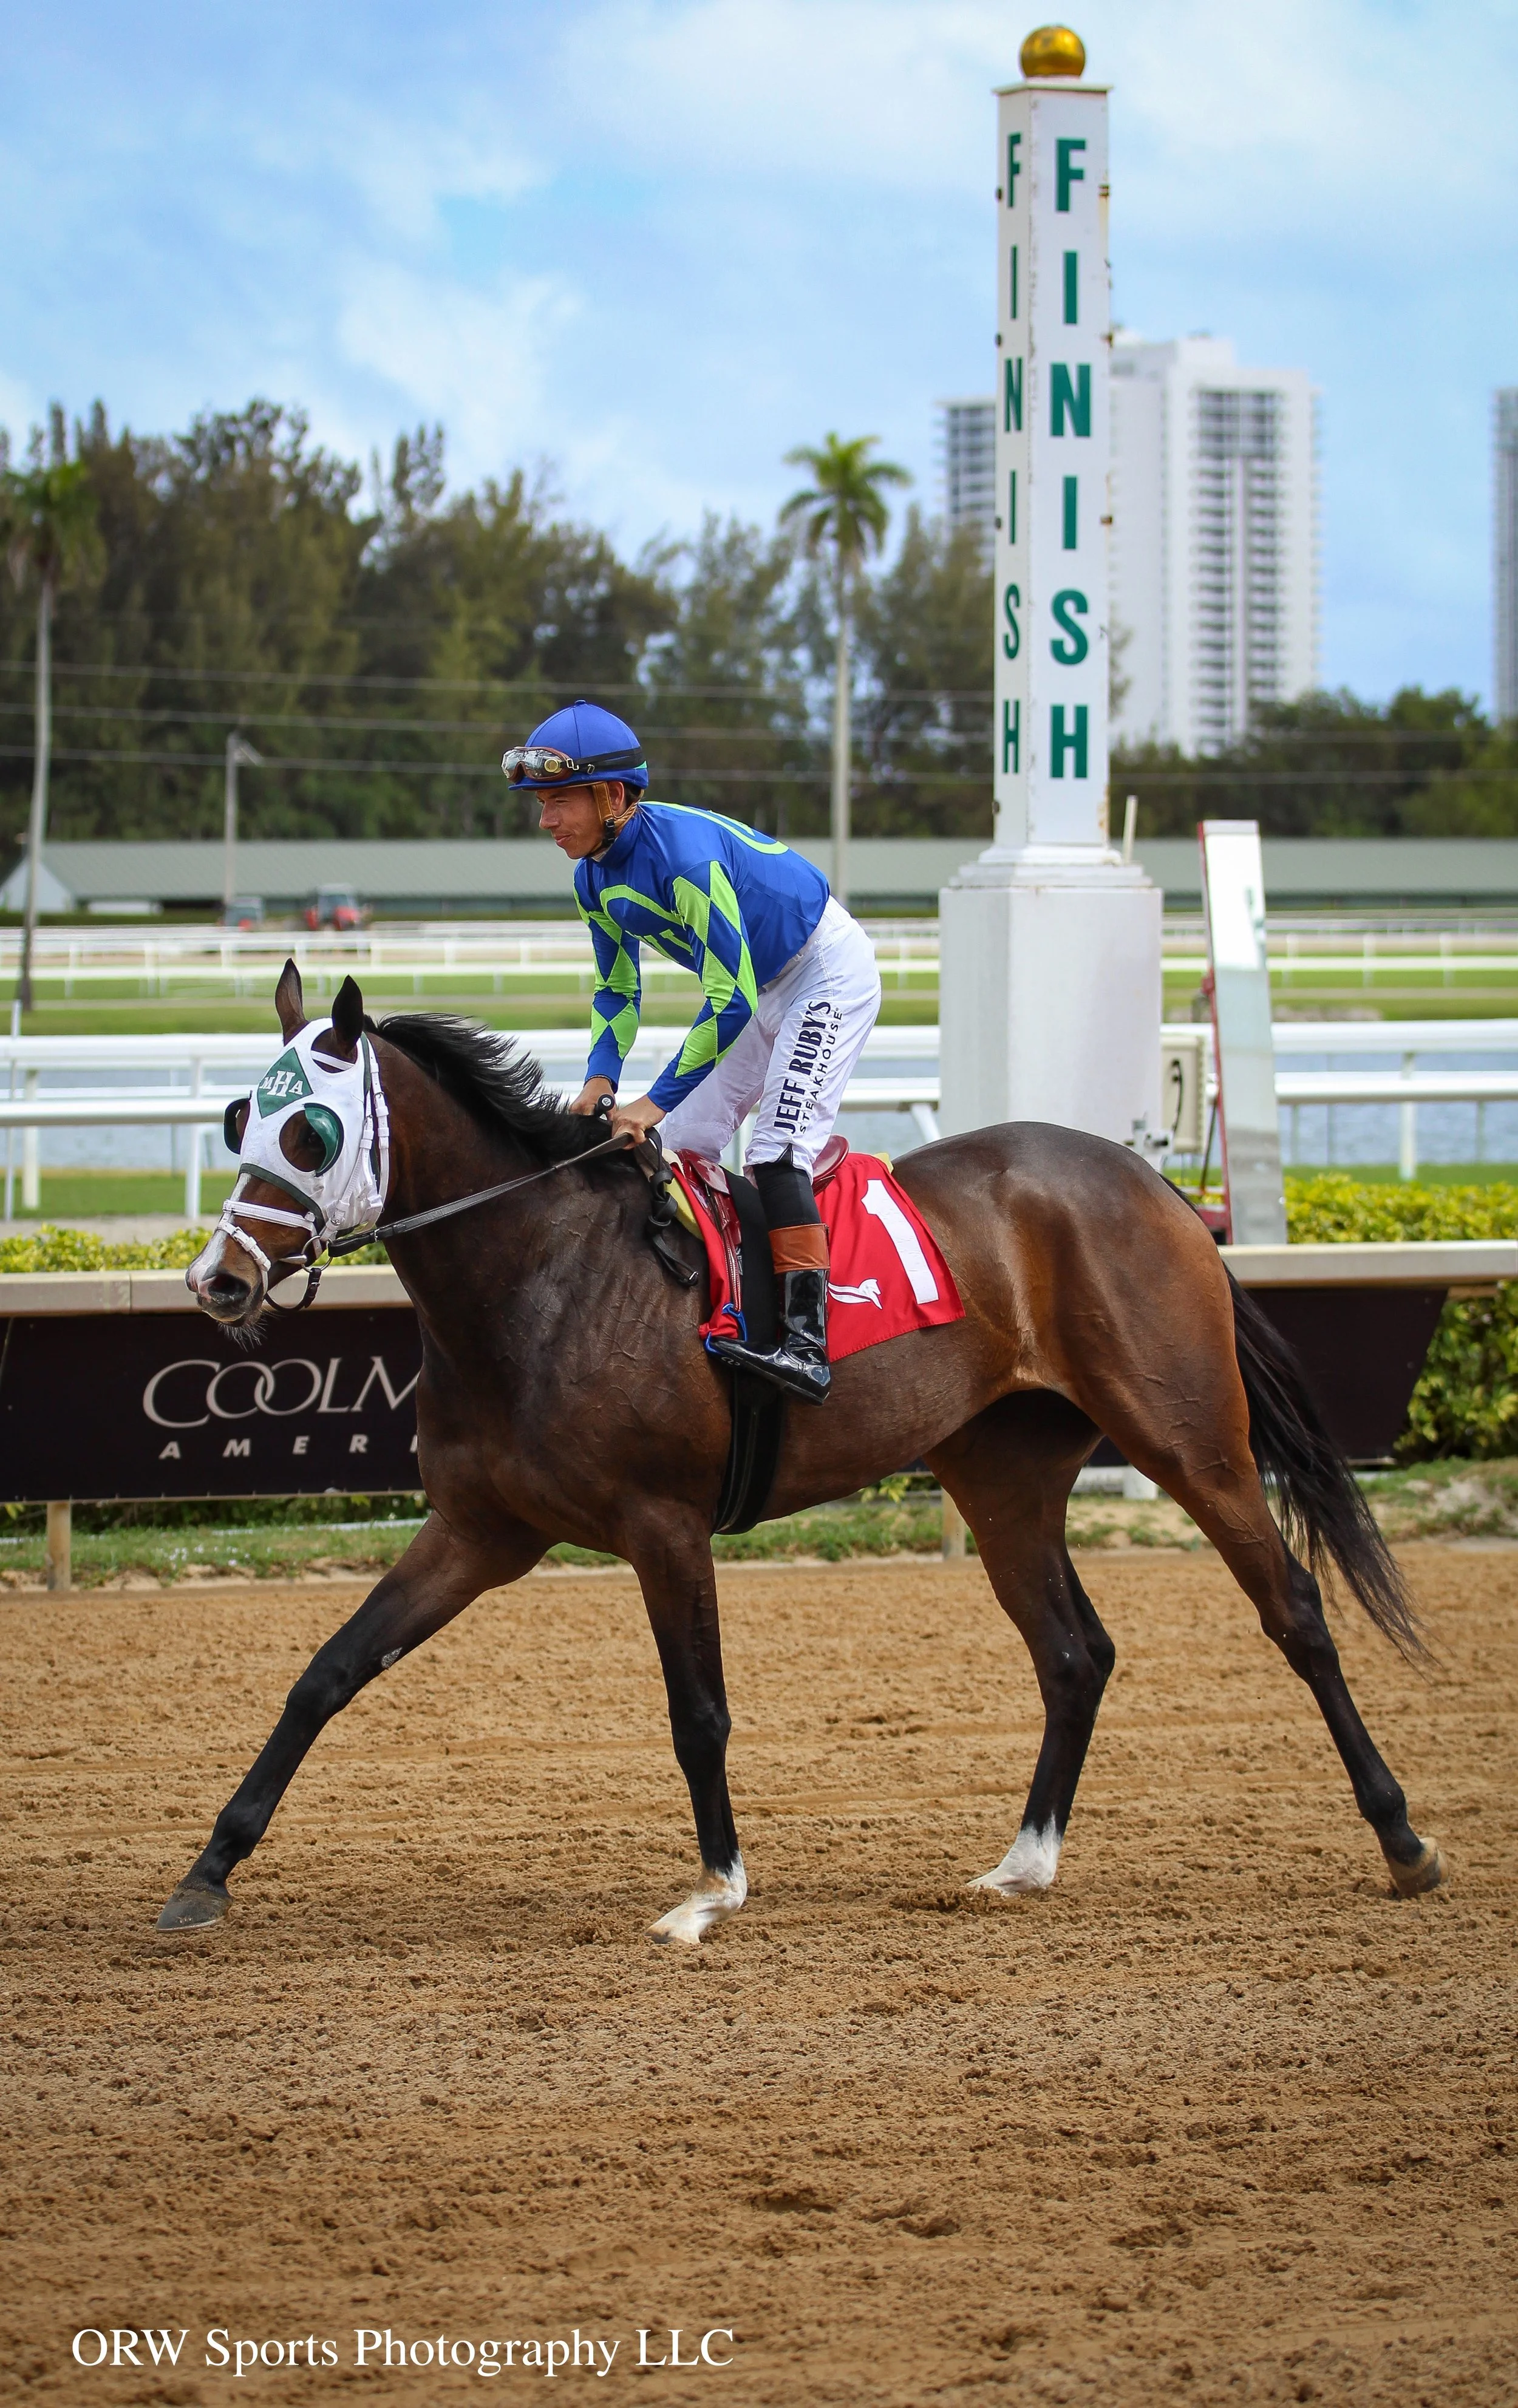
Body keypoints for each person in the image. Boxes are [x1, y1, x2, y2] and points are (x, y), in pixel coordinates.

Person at [503, 699, 882, 1403]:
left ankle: (807, 1343)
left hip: (824, 972)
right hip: (762, 988)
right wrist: (600, 1077)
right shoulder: (592, 876)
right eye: (541, 805)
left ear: (612, 796)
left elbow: (729, 1000)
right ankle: (713, 1304)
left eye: (559, 803)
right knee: (681, 1144)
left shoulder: (683, 860)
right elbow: (617, 986)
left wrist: (648, 1099)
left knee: (774, 1148)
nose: (546, 822)